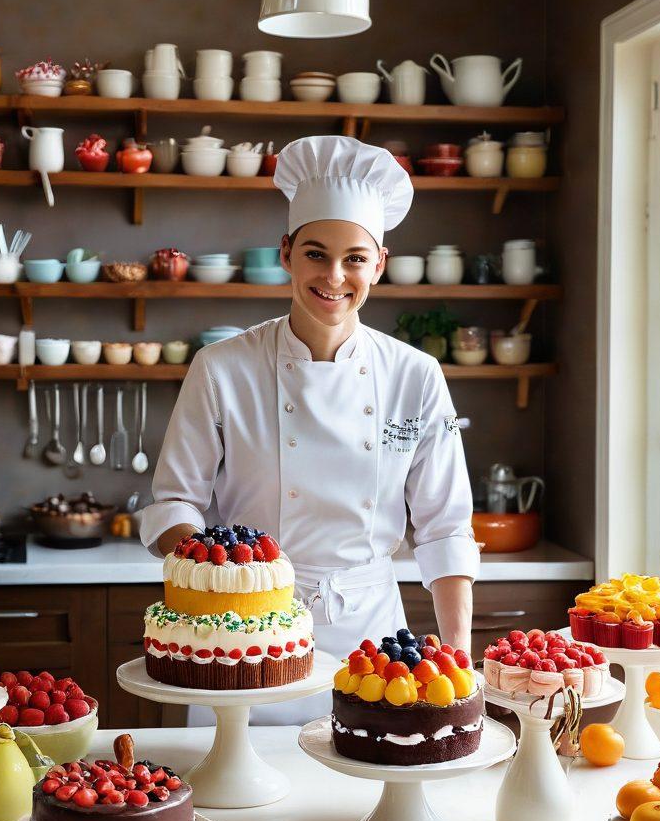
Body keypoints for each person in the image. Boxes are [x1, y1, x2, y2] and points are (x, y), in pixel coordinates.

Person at [140, 135, 480, 724]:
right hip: (244, 638)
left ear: (379, 263)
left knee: (368, 787)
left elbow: (445, 528)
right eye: (316, 254)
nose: (334, 276)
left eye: (354, 258)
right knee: (240, 799)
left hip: (377, 651)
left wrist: (460, 660)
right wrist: (223, 579)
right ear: (286, 253)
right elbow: (175, 503)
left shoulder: (415, 377)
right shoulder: (222, 368)